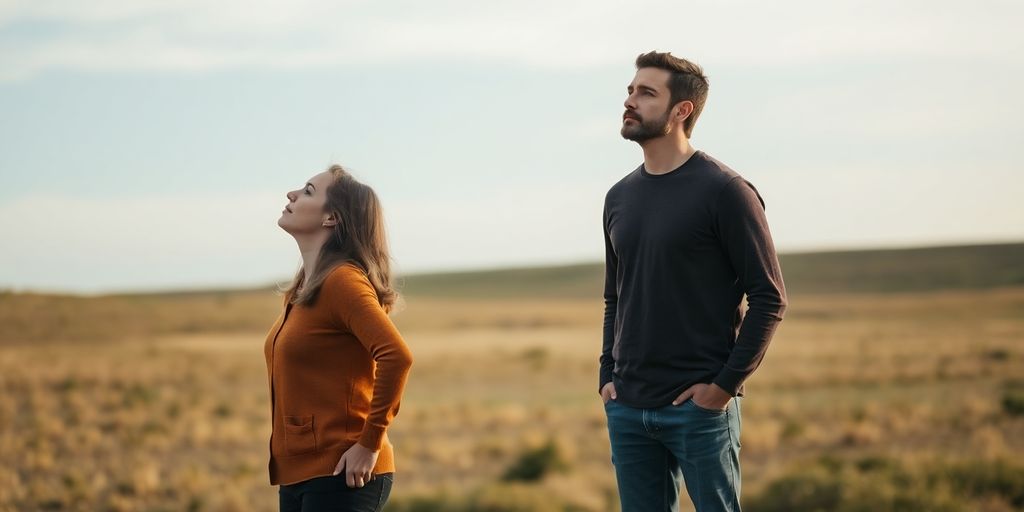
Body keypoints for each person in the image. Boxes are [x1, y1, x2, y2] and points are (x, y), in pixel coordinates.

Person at [600, 51, 787, 512]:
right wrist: (608, 375)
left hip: (698, 409)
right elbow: (615, 297)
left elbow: (769, 298)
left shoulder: (726, 192)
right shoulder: (619, 196)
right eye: (630, 90)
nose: (630, 101)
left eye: (646, 93)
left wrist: (723, 388)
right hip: (628, 405)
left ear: (682, 110)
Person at [265, 164, 413, 512]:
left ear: (332, 218)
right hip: (300, 474)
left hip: (343, 471)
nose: (292, 194)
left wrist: (369, 443)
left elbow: (397, 356)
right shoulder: (304, 289)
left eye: (308, 191)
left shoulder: (342, 281)